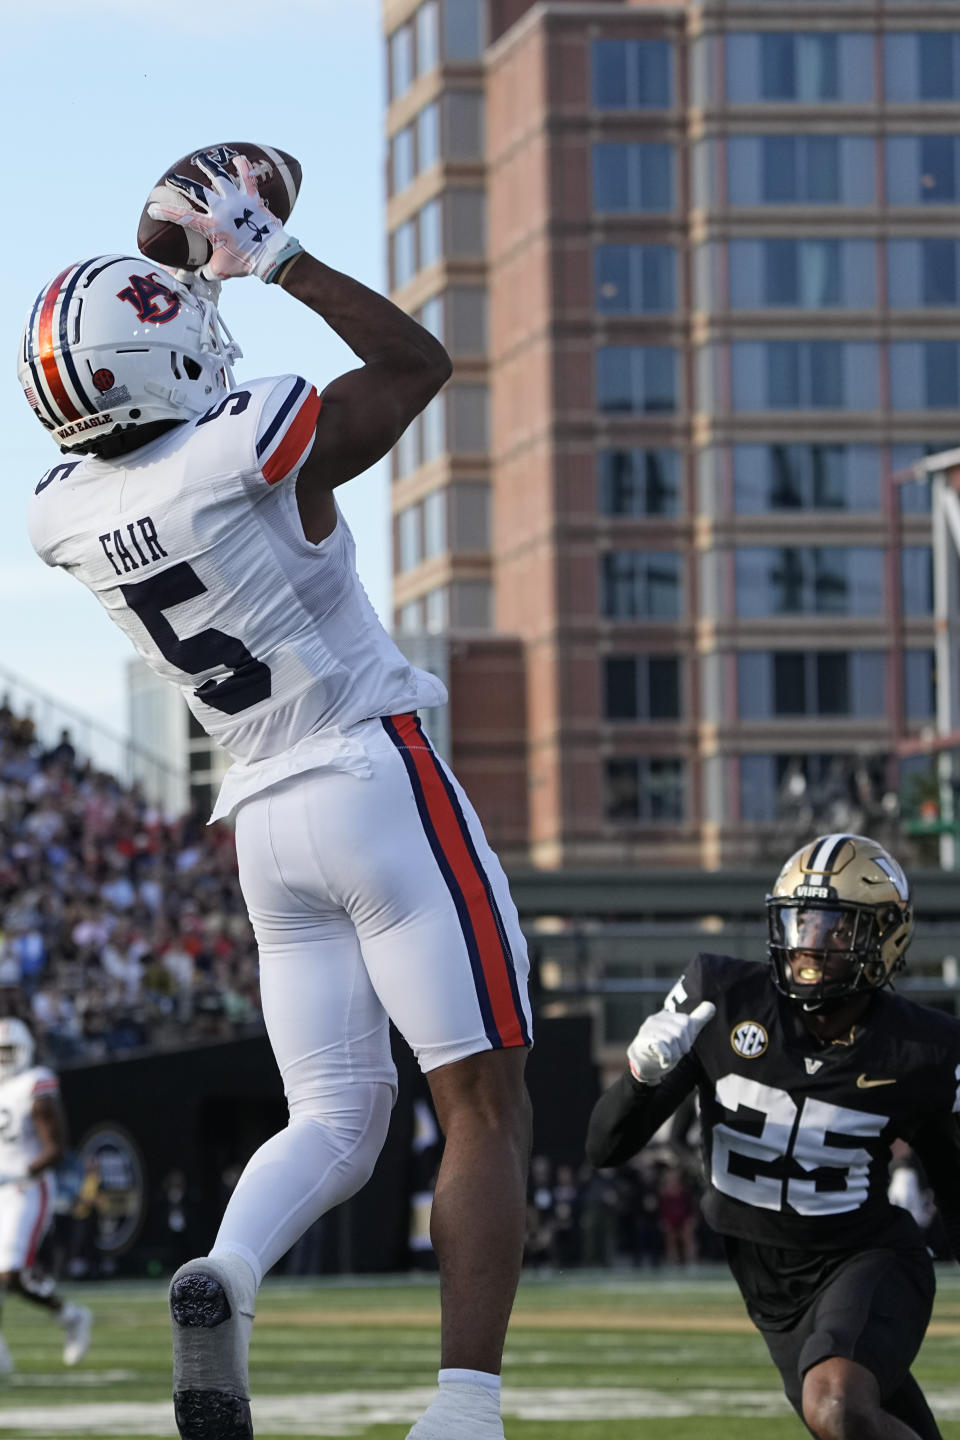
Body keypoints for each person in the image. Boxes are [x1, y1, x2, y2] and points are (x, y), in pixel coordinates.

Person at [21, 149, 533, 1440]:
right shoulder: (259, 445)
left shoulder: (66, 513)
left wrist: (175, 291)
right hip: (371, 771)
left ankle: (229, 1273)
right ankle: (465, 1406)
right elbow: (419, 369)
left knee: (335, 1117)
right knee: (482, 1099)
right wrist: (275, 256)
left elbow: (145, 398)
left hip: (261, 822)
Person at [587, 833, 960, 1440]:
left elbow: (955, 1185)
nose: (809, 945)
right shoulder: (723, 997)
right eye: (801, 921)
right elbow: (604, 1148)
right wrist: (638, 1077)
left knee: (835, 1407)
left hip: (865, 1260)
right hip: (769, 1286)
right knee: (856, 1422)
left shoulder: (922, 1047)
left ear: (884, 938)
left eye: (835, 929)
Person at [0, 1018, 92, 1370]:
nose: (5, 1058)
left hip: (27, 1187)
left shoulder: (34, 1083)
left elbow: (56, 1147)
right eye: (0, 1051)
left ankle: (71, 1316)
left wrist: (21, 1171)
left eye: (10, 1051)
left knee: (11, 1274)